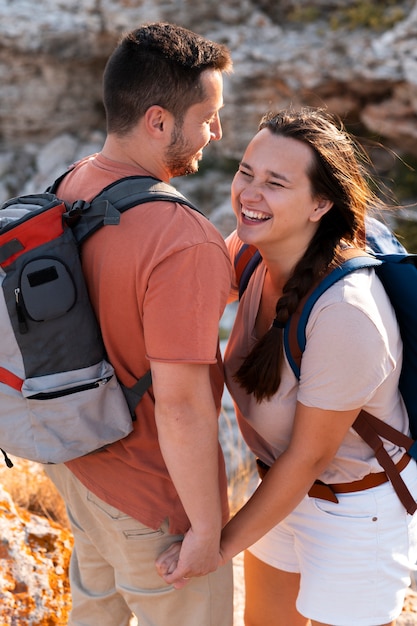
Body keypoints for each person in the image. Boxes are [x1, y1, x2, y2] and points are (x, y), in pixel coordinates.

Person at [157, 107, 417, 626]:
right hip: (278, 492)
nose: (249, 194)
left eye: (276, 183)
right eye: (246, 172)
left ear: (321, 203)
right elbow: (182, 294)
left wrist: (217, 545)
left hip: (355, 512)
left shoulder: (345, 314)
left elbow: (308, 457)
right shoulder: (252, 254)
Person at [44, 22, 234, 626]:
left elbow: (122, 291)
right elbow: (181, 408)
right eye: (207, 117)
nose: (216, 132)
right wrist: (206, 528)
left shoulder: (74, 182)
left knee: (93, 613)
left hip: (81, 466)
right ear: (159, 120)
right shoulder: (182, 241)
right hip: (155, 505)